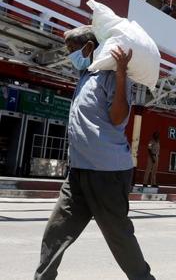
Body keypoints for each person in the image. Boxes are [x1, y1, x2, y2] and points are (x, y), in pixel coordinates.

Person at [35, 26, 155, 280]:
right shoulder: (85, 75)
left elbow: (118, 117)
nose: (70, 55)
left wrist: (122, 71)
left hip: (108, 173)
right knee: (56, 232)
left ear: (89, 49)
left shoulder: (112, 76)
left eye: (73, 50)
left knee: (118, 236)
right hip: (78, 172)